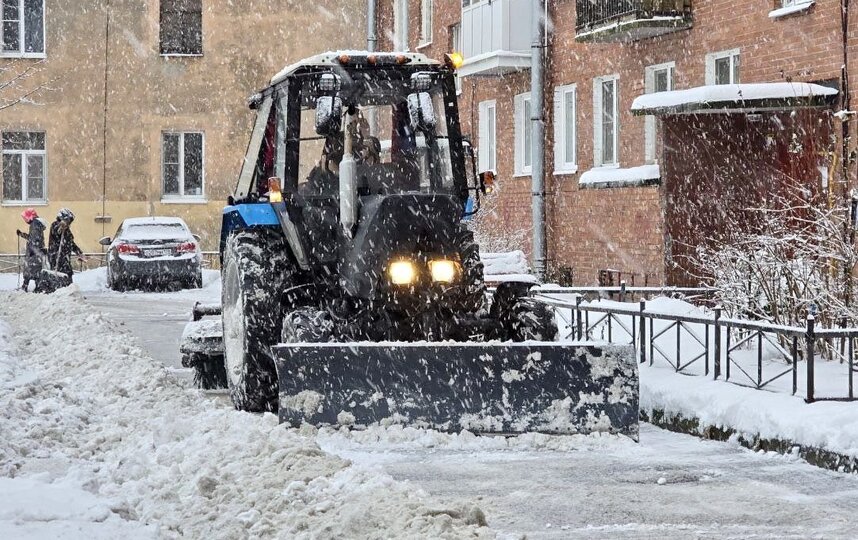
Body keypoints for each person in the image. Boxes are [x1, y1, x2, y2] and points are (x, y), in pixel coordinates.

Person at [15, 208, 47, 292]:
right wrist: (22, 234)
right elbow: (32, 237)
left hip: (34, 253)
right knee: (35, 271)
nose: (25, 220)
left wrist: (33, 250)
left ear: (30, 217)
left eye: (26, 218)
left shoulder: (35, 224)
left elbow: (35, 239)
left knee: (30, 270)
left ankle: (30, 287)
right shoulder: (36, 224)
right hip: (36, 252)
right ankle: (36, 287)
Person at [48, 208, 84, 277]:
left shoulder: (66, 229)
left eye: (70, 221)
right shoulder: (55, 225)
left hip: (65, 258)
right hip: (57, 258)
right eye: (68, 220)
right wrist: (61, 226)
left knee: (68, 276)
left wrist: (79, 252)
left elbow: (71, 243)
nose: (69, 223)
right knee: (61, 278)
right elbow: (56, 232)